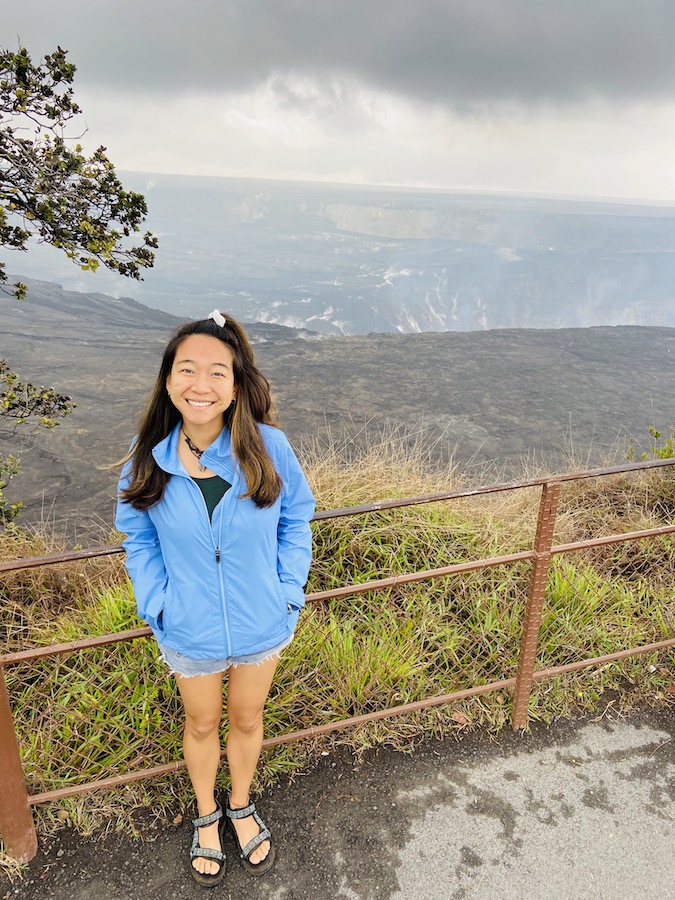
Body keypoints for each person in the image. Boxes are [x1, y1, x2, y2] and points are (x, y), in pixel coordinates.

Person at [115, 310, 315, 887]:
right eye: (187, 370)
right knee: (201, 724)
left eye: (216, 373)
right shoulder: (147, 455)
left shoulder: (268, 447)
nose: (200, 385)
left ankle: (241, 803)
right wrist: (157, 603)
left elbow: (297, 518)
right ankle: (207, 816)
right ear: (168, 379)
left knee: (248, 717)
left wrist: (286, 590)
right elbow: (138, 537)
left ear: (235, 385)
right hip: (188, 626)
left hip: (262, 619)